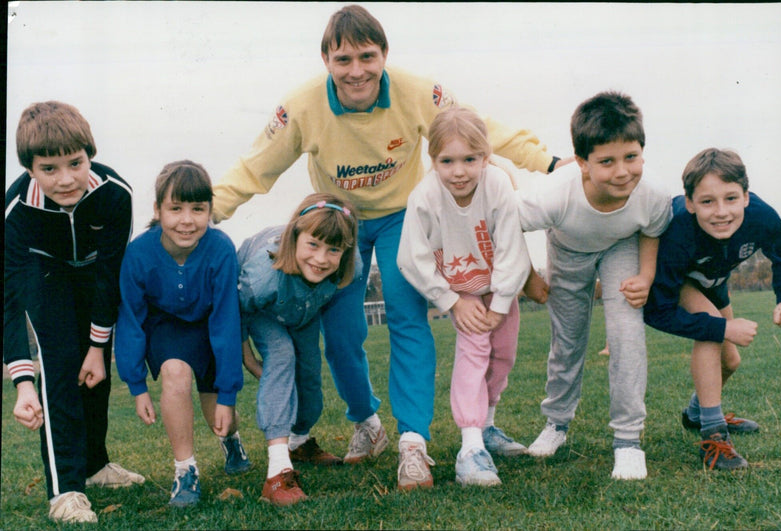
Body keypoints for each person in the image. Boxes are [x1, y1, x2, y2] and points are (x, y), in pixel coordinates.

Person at [211, 4, 570, 490]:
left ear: (384, 55)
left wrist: (549, 163)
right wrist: (202, 213)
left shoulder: (417, 91)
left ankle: (413, 443)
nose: (356, 70)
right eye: (343, 60)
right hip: (343, 227)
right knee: (341, 335)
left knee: (406, 319)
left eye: (366, 56)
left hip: (405, 216)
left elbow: (481, 129)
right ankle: (367, 423)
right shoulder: (301, 106)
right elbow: (255, 168)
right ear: (326, 62)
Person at [517, 91, 672, 480]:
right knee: (568, 339)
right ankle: (556, 423)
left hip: (622, 246)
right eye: (607, 161)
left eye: (631, 157)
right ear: (582, 163)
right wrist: (529, 277)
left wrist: (647, 276)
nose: (623, 171)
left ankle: (628, 441)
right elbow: (505, 223)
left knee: (626, 333)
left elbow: (653, 230)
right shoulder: (553, 193)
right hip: (568, 248)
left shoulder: (652, 194)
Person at [4, 101, 144, 524]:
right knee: (63, 366)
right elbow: (10, 299)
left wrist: (99, 346)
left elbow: (110, 276)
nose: (66, 179)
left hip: (95, 280)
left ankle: (95, 465)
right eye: (49, 169)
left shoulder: (115, 195)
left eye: (75, 163)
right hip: (46, 281)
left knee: (93, 372)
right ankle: (65, 491)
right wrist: (23, 383)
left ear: (90, 156)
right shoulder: (15, 212)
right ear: (30, 169)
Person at [397, 108, 531, 487]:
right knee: (473, 357)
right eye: (447, 161)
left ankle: (487, 427)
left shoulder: (498, 184)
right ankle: (469, 449)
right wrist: (451, 299)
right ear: (433, 160)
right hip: (462, 295)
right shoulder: (424, 196)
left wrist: (503, 301)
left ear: (485, 157)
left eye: (470, 160)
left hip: (499, 290)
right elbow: (411, 256)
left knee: (503, 356)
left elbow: (511, 245)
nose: (459, 171)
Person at [644, 148, 781, 471]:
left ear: (745, 195)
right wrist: (724, 328)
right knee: (712, 325)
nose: (721, 211)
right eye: (707, 202)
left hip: (714, 282)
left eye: (730, 198)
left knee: (731, 360)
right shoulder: (677, 230)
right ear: (689, 202)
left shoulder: (762, 216)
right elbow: (657, 309)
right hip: (680, 282)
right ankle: (713, 433)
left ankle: (696, 413)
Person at [114, 160, 252, 508]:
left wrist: (227, 394)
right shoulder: (138, 253)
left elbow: (226, 319)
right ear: (158, 210)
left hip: (210, 326)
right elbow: (130, 319)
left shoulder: (220, 248)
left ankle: (231, 441)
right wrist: (137, 386)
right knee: (175, 374)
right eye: (175, 208)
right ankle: (185, 472)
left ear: (210, 211)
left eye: (198, 209)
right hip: (167, 328)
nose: (187, 220)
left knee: (219, 420)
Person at [237, 193, 359, 505]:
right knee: (281, 355)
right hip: (263, 312)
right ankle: (277, 470)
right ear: (294, 238)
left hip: (301, 313)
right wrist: (247, 355)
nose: (321, 259)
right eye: (313, 245)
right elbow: (237, 308)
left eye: (333, 250)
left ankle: (299, 441)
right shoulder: (261, 276)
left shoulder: (351, 266)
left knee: (309, 380)